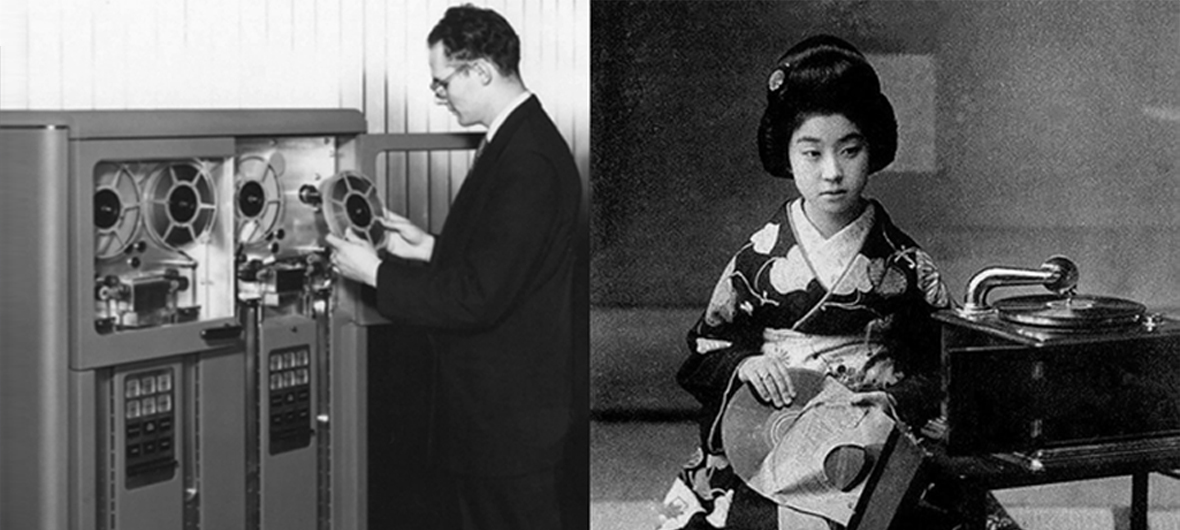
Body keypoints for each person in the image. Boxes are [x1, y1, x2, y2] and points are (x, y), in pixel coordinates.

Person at [656, 35, 1019, 530]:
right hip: (773, 436)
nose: (832, 173)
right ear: (786, 155)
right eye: (812, 153)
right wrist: (745, 366)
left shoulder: (905, 262)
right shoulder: (758, 258)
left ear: (873, 150)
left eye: (849, 150)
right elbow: (706, 348)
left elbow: (947, 365)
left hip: (873, 439)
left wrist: (894, 400)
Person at [325, 5, 581, 529]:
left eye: (443, 82)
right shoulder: (518, 140)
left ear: (481, 71)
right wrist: (430, 248)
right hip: (500, 420)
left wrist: (374, 271)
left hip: (506, 426)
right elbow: (509, 261)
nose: (439, 95)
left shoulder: (527, 158)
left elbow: (478, 298)